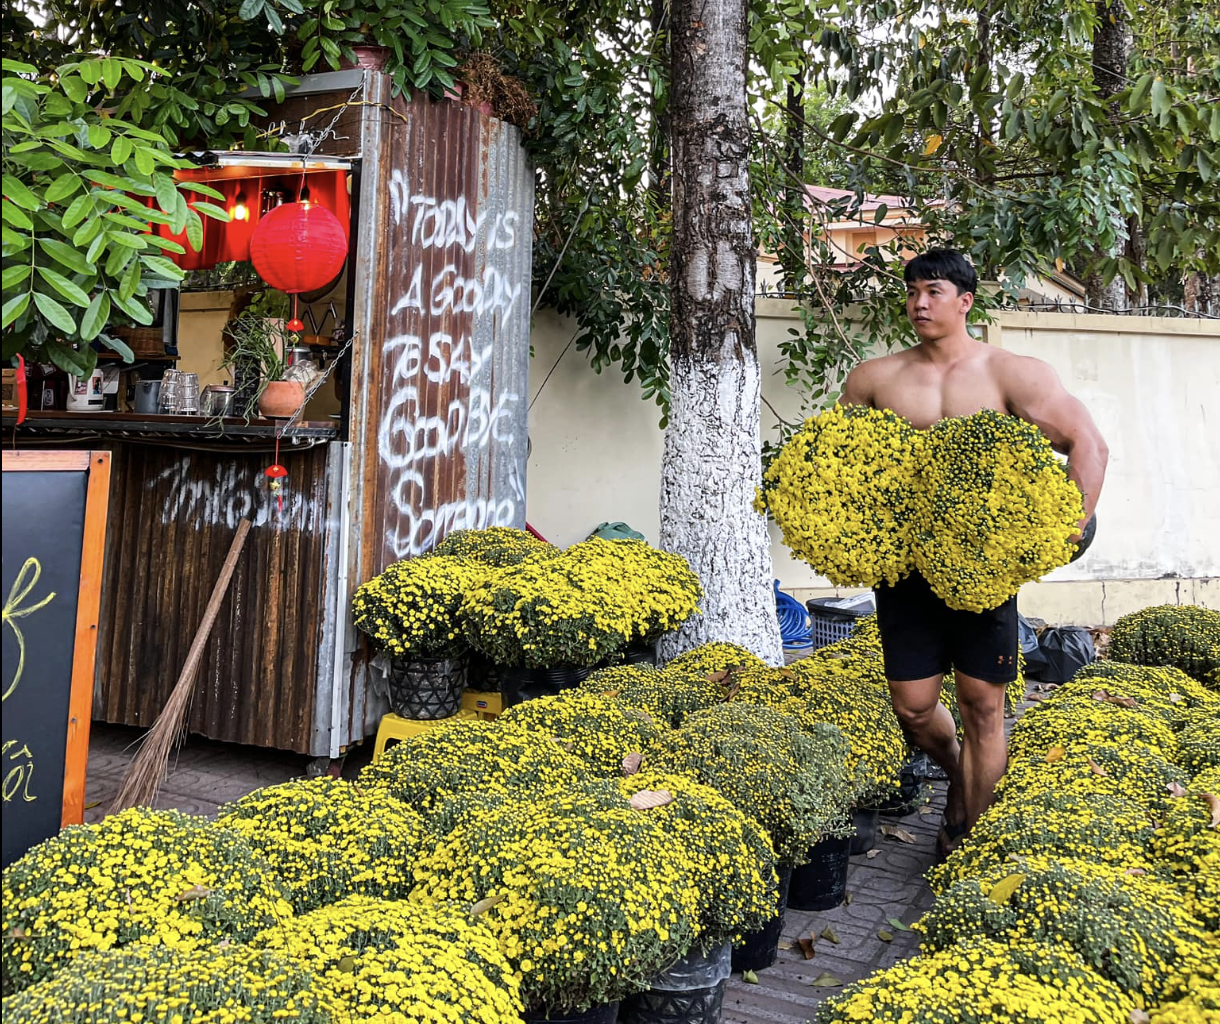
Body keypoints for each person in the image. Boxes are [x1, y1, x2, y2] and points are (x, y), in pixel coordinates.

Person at [841, 248, 1108, 856]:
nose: (919, 302)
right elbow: (844, 466)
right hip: (905, 567)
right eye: (911, 291)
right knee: (913, 707)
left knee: (983, 703)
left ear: (965, 301)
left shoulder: (1011, 373)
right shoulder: (874, 379)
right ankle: (959, 767)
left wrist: (1073, 522)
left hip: (983, 566)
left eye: (933, 290)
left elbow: (1086, 442)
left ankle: (969, 835)